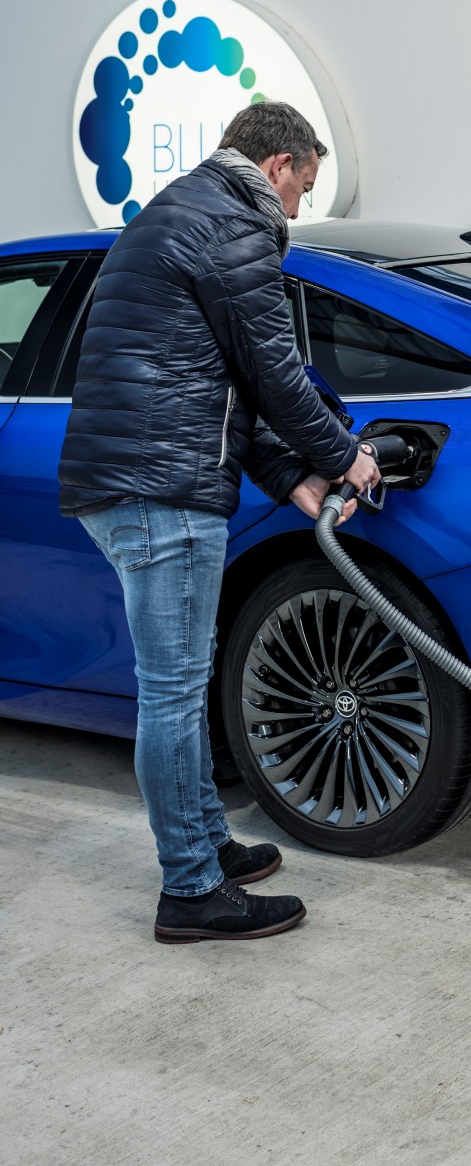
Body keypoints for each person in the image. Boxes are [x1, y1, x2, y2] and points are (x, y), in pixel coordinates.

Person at [59, 101, 380, 945]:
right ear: (278, 166)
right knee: (171, 694)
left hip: (138, 477)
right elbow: (272, 371)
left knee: (183, 683)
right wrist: (343, 456)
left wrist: (290, 475)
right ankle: (192, 891)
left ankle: (207, 844)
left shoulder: (182, 210)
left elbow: (217, 378)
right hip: (161, 488)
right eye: (304, 187)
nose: (299, 209)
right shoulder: (234, 225)